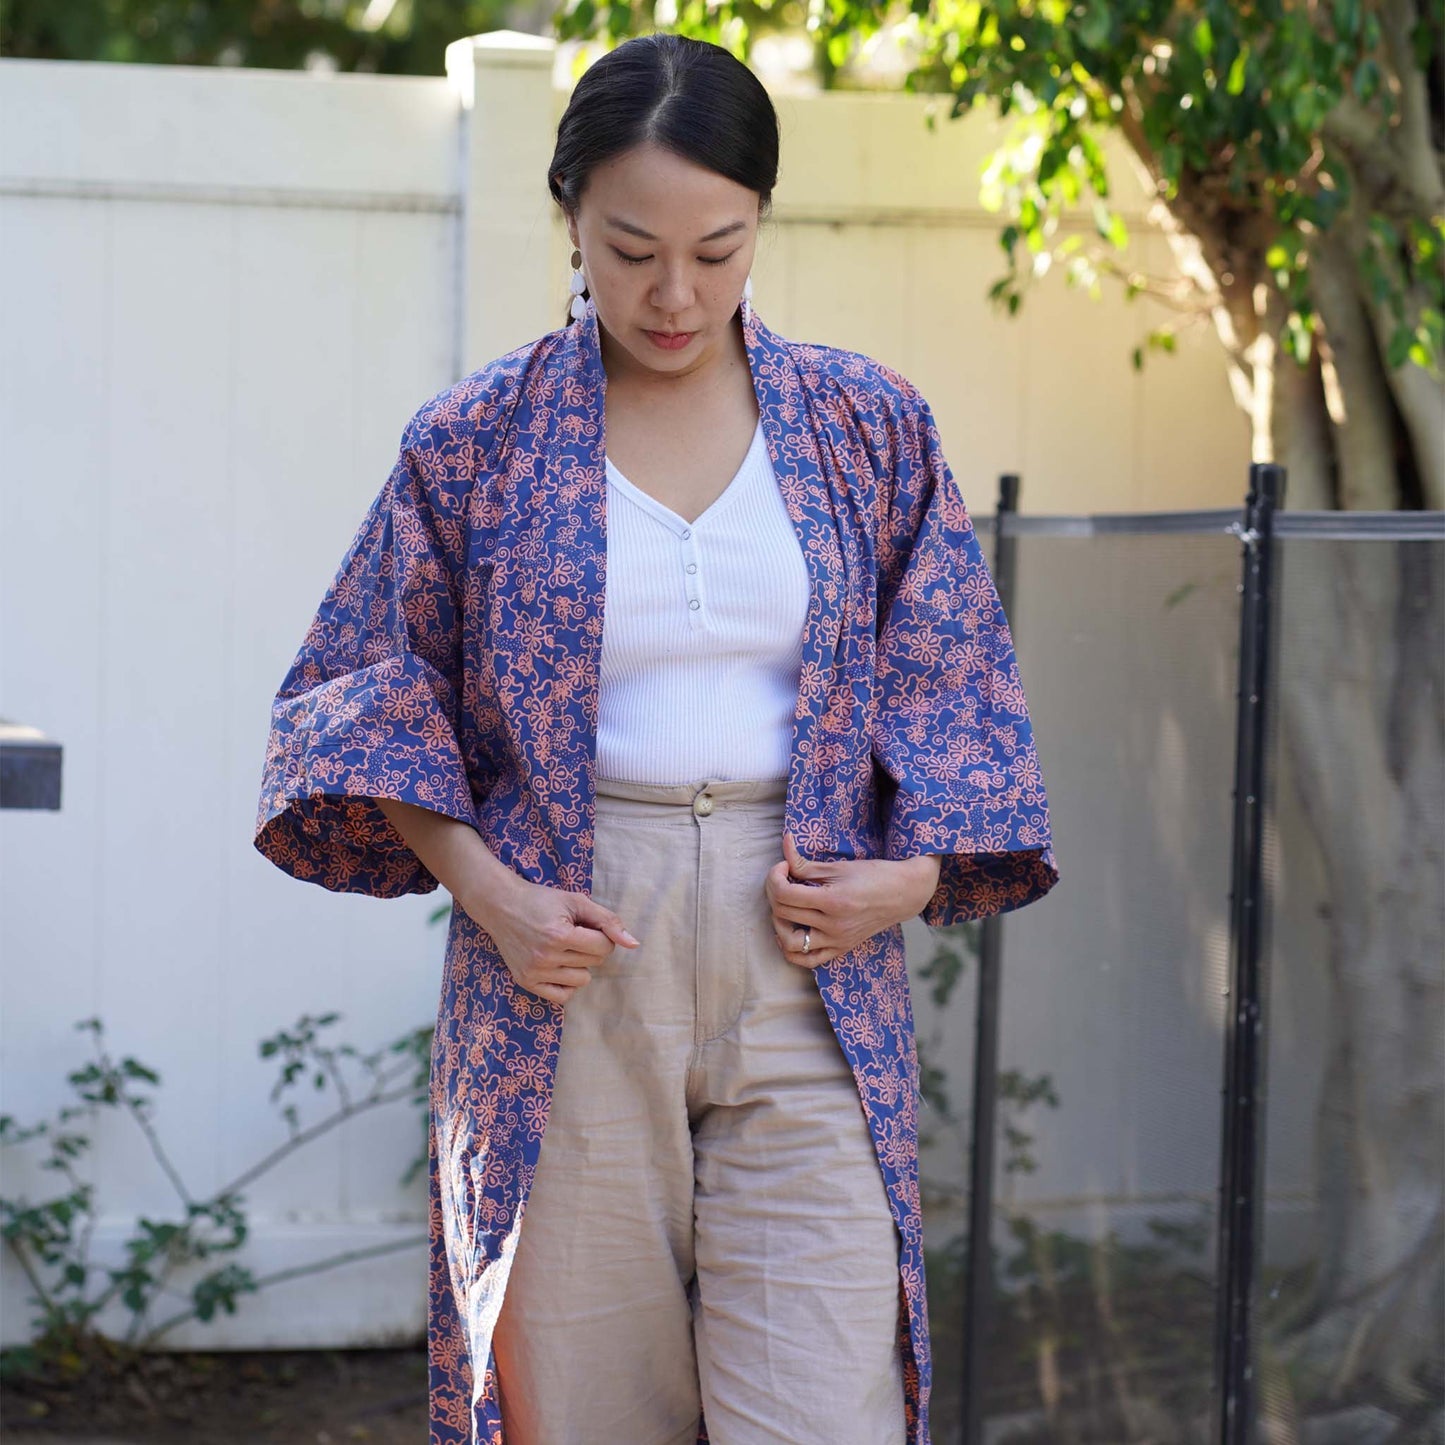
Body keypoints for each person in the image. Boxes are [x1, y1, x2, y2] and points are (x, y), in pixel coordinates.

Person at [253, 31, 1059, 1445]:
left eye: (718, 248)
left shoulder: (866, 425)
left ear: (759, 225)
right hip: (564, 959)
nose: (674, 292)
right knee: (584, 1409)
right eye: (630, 249)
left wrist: (916, 878)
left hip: (804, 953)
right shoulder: (475, 442)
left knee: (824, 1410)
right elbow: (366, 698)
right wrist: (489, 895)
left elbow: (956, 688)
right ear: (568, 213)